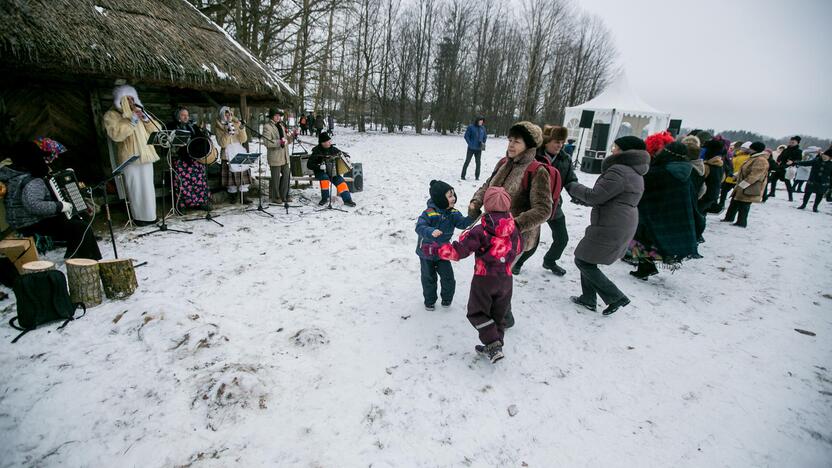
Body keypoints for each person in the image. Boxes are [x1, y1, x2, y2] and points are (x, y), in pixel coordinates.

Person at [468, 121, 551, 327]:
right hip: (492, 234)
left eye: (517, 141)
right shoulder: (504, 163)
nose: (511, 145)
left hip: (516, 239)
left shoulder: (537, 171)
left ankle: (503, 319)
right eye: (510, 140)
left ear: (529, 145)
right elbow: (488, 185)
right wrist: (476, 201)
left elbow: (543, 209)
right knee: (493, 277)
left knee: (497, 278)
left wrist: (515, 224)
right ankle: (499, 314)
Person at [565, 136, 649, 316]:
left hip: (612, 223)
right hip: (621, 221)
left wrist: (572, 185)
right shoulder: (635, 171)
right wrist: (583, 200)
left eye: (615, 147)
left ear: (626, 151)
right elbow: (610, 196)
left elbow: (596, 196)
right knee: (587, 258)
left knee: (583, 260)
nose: (612, 151)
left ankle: (615, 296)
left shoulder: (619, 170)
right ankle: (588, 299)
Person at [438, 187, 522, 364]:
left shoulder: (480, 230)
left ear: (487, 206)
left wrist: (442, 249)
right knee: (498, 315)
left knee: (476, 312)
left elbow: (460, 251)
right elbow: (518, 248)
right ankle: (495, 346)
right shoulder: (514, 228)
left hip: (484, 279)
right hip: (506, 278)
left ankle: (492, 344)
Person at [0, 140, 101, 260]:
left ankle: (74, 254)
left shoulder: (11, 175)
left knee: (76, 218)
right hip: (30, 225)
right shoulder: (31, 180)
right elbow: (34, 205)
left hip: (21, 222)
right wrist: (60, 206)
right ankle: (86, 261)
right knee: (80, 227)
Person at [628, 142, 699, 280]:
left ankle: (645, 267)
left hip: (651, 211)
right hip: (671, 213)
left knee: (640, 238)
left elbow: (643, 186)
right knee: (651, 239)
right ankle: (647, 266)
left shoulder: (661, 171)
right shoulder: (686, 171)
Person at [512, 125, 576, 276]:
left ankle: (550, 261)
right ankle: (519, 262)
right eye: (556, 142)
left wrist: (581, 194)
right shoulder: (533, 156)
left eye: (562, 142)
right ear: (547, 142)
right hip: (533, 205)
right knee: (532, 242)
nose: (560, 145)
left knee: (562, 238)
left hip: (554, 205)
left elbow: (571, 180)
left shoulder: (565, 159)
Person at [102, 84, 160, 225]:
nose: (131, 102)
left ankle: (151, 216)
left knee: (148, 188)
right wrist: (132, 120)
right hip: (130, 158)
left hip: (146, 155)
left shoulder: (140, 112)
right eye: (127, 99)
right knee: (135, 188)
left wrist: (145, 119)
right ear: (120, 100)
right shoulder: (112, 115)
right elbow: (116, 135)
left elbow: (157, 129)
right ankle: (139, 217)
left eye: (132, 98)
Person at [415, 180, 473, 310]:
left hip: (443, 252)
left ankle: (447, 299)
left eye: (453, 194)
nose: (453, 198)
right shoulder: (429, 213)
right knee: (428, 278)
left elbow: (462, 223)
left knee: (448, 278)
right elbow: (420, 227)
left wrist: (472, 216)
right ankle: (429, 301)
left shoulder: (453, 213)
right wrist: (430, 231)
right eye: (449, 196)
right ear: (440, 198)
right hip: (426, 252)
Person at [166, 107, 210, 211]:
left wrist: (204, 134)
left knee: (200, 179)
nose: (186, 117)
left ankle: (201, 202)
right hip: (181, 159)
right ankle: (182, 205)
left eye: (187, 115)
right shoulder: (171, 127)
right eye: (183, 115)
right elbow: (169, 142)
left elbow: (200, 139)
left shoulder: (193, 127)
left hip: (194, 158)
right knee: (182, 182)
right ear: (178, 116)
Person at [721, 141, 768, 227]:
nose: (749, 149)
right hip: (742, 184)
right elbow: (744, 170)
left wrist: (743, 184)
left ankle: (741, 222)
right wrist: (735, 176)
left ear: (755, 149)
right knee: (735, 201)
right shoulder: (753, 158)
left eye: (750, 148)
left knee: (744, 204)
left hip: (750, 186)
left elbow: (755, 175)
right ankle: (729, 217)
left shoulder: (760, 160)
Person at [307, 132, 356, 207]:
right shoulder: (316, 151)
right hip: (320, 172)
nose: (330, 143)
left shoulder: (333, 149)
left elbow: (343, 154)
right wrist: (319, 167)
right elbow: (309, 165)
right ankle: (325, 198)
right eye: (328, 141)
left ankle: (347, 200)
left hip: (332, 172)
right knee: (325, 178)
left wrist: (347, 157)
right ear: (323, 142)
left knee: (341, 181)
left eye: (330, 141)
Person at [214, 106, 251, 203]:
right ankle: (233, 197)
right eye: (226, 114)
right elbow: (222, 143)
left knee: (243, 174)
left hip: (238, 151)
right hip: (227, 154)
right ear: (222, 115)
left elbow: (243, 139)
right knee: (231, 180)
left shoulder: (236, 123)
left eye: (230, 114)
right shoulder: (218, 126)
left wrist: (242, 129)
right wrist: (227, 133)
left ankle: (244, 196)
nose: (228, 116)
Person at [262, 108, 295, 204]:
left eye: (279, 115)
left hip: (284, 156)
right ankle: (276, 197)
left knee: (286, 175)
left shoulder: (281, 125)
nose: (278, 117)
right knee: (275, 178)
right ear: (272, 116)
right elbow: (267, 142)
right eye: (276, 115)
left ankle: (284, 195)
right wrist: (279, 142)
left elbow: (287, 141)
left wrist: (292, 136)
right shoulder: (267, 127)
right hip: (275, 156)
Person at [795, 147, 832, 212]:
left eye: (827, 156)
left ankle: (815, 207)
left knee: (819, 195)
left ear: (830, 158)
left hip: (823, 182)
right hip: (812, 180)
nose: (824, 157)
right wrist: (798, 162)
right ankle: (803, 204)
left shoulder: (831, 164)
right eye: (824, 155)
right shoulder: (816, 160)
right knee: (807, 193)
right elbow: (807, 163)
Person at [769, 136, 802, 201]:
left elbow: (799, 160)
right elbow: (780, 156)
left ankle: (790, 197)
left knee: (787, 182)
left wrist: (793, 162)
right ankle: (772, 193)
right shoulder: (786, 149)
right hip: (780, 167)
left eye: (793, 142)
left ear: (797, 143)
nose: (791, 142)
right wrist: (778, 160)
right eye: (790, 141)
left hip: (788, 169)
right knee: (773, 179)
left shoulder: (799, 151)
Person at [699, 139, 725, 214]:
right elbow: (722, 179)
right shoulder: (720, 164)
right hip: (712, 194)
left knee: (698, 214)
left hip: (704, 195)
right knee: (702, 214)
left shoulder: (707, 166)